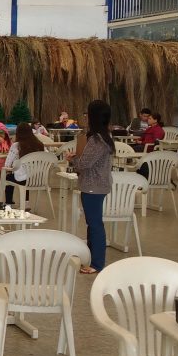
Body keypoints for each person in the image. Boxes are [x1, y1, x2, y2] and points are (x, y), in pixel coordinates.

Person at [67, 100, 114, 274]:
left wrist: (72, 159)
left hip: (93, 186)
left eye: (87, 114)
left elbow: (84, 164)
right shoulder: (105, 136)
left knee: (95, 225)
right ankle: (91, 258)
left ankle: (97, 263)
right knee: (93, 223)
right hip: (97, 185)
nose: (85, 117)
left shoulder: (96, 140)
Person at [2, 123, 45, 205]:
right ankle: (26, 203)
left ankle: (8, 203)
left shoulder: (17, 146)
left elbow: (7, 165)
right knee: (27, 173)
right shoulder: (40, 145)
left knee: (9, 177)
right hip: (38, 179)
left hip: (23, 180)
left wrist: (9, 169)